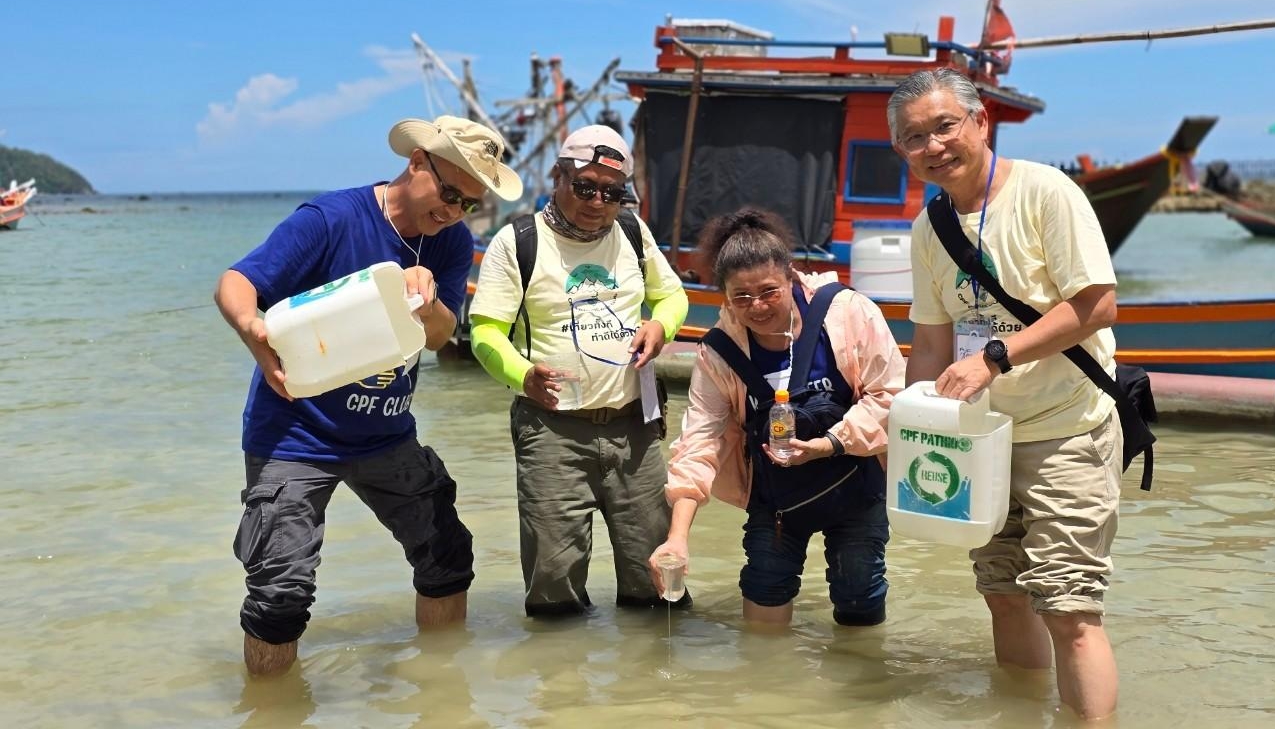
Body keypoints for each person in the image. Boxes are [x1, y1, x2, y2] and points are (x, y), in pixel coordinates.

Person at [215, 115, 523, 676]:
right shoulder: (331, 219)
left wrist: (427, 298)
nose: (454, 211)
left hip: (385, 435)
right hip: (294, 432)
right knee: (280, 594)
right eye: (449, 193)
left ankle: (441, 693)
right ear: (416, 163)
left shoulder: (451, 242)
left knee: (448, 558)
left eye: (469, 204)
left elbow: (437, 336)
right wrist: (251, 329)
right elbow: (235, 283)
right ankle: (267, 709)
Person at [887, 68, 1123, 720]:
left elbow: (1099, 305)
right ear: (902, 153)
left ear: (979, 122)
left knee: (1070, 608)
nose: (933, 145)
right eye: (914, 137)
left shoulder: (1048, 193)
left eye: (945, 126)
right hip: (979, 439)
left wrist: (997, 355)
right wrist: (911, 437)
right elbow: (931, 347)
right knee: (1003, 594)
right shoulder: (928, 228)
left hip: (1066, 428)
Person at [468, 125, 689, 616]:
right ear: (558, 176)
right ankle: (562, 686)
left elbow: (673, 295)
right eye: (585, 187)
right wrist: (522, 374)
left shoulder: (632, 231)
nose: (598, 202)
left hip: (636, 426)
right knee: (553, 583)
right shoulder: (518, 242)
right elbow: (484, 332)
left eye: (612, 193)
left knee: (657, 580)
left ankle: (657, 689)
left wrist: (661, 325)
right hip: (552, 432)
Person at [649, 208, 903, 627]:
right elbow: (699, 440)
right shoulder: (718, 352)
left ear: (791, 275)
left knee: (859, 595)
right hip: (778, 501)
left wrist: (827, 444)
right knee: (763, 595)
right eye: (741, 297)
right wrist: (677, 538)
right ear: (724, 296)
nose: (757, 306)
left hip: (855, 487)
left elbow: (891, 393)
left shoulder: (846, 312)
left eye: (768, 291)